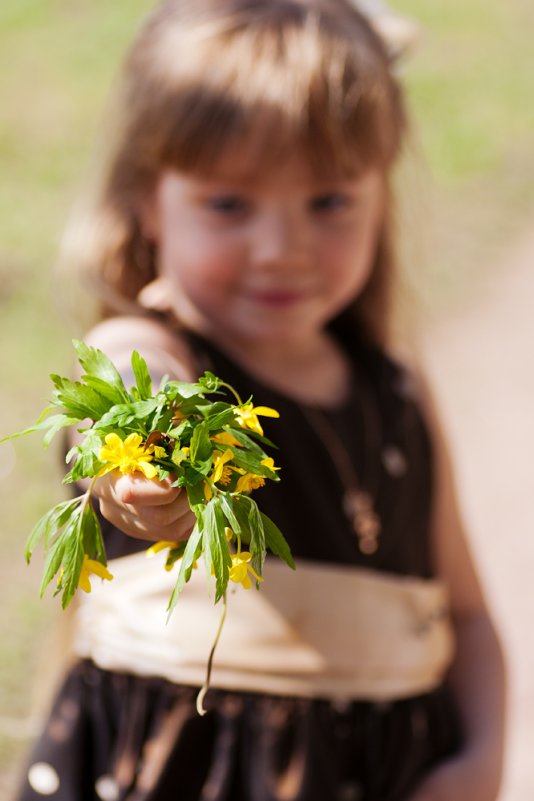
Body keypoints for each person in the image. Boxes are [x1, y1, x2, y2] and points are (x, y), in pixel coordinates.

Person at [16, 1, 506, 799]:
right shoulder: (152, 347)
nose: (282, 249)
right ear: (147, 198)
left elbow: (471, 618)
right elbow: (124, 383)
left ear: (381, 196)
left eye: (329, 201)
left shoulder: (399, 391)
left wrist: (478, 761)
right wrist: (146, 467)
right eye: (229, 204)